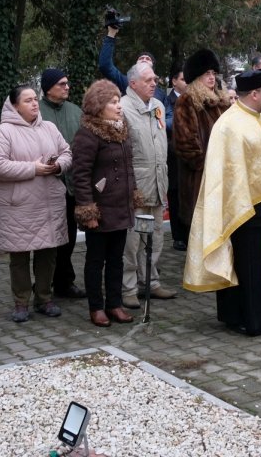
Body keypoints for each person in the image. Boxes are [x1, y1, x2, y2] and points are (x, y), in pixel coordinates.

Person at [183, 69, 261, 335]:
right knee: (250, 264)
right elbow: (228, 172)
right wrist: (246, 201)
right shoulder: (229, 124)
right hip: (244, 208)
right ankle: (250, 318)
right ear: (255, 94)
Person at [0, 84, 73, 323]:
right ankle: (21, 302)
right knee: (20, 256)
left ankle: (44, 298)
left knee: (48, 253)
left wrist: (58, 165)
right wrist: (32, 168)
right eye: (27, 100)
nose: (34, 103)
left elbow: (67, 152)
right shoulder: (4, 132)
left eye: (35, 99)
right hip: (19, 206)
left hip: (49, 203)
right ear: (14, 106)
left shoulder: (49, 127)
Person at [71, 80, 139, 327]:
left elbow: (128, 167)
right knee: (96, 259)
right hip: (99, 209)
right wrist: (87, 209)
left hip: (120, 206)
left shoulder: (122, 129)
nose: (119, 106)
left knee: (116, 259)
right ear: (99, 105)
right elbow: (80, 175)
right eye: (113, 102)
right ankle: (96, 307)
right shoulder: (88, 134)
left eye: (119, 101)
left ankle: (115, 304)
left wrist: (133, 194)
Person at [120, 62, 178, 309]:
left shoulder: (157, 106)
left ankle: (151, 282)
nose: (154, 83)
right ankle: (129, 288)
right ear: (133, 83)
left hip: (158, 182)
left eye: (155, 79)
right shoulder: (122, 108)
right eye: (148, 80)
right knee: (133, 241)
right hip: (137, 188)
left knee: (155, 236)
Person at [173, 49, 232, 245]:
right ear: (196, 76)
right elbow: (185, 143)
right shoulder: (187, 101)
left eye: (213, 73)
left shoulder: (221, 101)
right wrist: (206, 166)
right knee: (201, 237)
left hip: (224, 176)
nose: (211, 78)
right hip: (199, 179)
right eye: (207, 73)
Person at [38, 68, 86, 301]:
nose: (67, 87)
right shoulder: (36, 112)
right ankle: (43, 284)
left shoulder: (75, 111)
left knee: (68, 236)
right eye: (62, 84)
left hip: (72, 184)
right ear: (48, 88)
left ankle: (65, 282)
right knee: (46, 239)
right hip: (45, 184)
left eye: (67, 83)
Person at [98, 19, 167, 103]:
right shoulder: (126, 82)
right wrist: (111, 33)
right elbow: (105, 66)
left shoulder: (161, 94)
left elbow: (168, 114)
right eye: (141, 58)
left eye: (148, 59)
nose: (144, 59)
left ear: (153, 68)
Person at [164, 63, 188, 250]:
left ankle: (189, 233)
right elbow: (166, 124)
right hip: (173, 155)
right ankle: (178, 236)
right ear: (174, 81)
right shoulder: (167, 100)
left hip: (190, 155)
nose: (186, 81)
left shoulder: (193, 99)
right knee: (175, 194)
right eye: (182, 78)